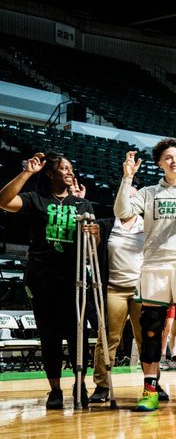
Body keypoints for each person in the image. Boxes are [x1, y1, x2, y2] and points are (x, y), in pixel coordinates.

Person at [114, 141, 176, 412]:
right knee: (152, 330)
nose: (174, 161)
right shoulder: (147, 192)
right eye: (168, 157)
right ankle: (150, 388)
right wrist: (127, 177)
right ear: (159, 163)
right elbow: (122, 213)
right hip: (154, 266)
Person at [0, 152, 94, 408]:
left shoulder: (82, 205)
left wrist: (93, 234)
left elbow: (93, 246)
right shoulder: (36, 199)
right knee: (49, 336)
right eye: (64, 168)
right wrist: (28, 172)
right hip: (41, 277)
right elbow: (3, 201)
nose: (70, 172)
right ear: (51, 174)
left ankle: (80, 384)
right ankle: (54, 390)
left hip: (74, 278)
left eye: (71, 168)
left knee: (78, 335)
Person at [90, 186, 145, 404]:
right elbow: (92, 252)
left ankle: (152, 382)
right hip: (114, 288)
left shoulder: (148, 224)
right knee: (109, 338)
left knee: (146, 338)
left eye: (132, 197)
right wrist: (94, 239)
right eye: (123, 196)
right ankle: (102, 385)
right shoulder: (105, 225)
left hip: (141, 290)